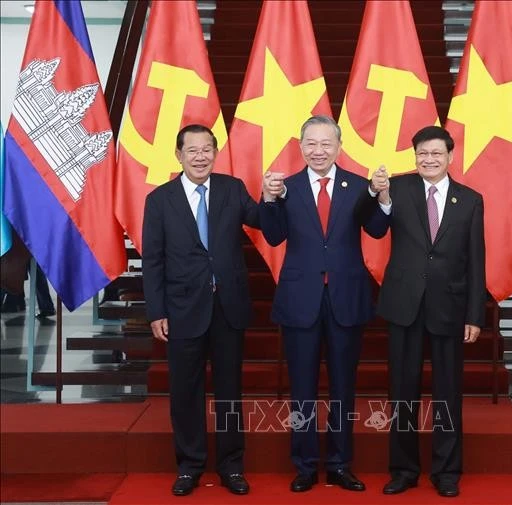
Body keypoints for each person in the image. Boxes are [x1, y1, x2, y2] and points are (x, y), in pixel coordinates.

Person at [259, 115, 390, 492]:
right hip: (301, 300)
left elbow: (378, 229)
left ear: (339, 146)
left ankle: (339, 464)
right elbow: (273, 234)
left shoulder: (357, 186)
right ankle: (303, 465)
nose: (319, 151)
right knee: (301, 388)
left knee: (343, 388)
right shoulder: (286, 187)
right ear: (301, 147)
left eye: (326, 144)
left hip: (345, 298)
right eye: (311, 144)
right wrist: (268, 200)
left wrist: (382, 197)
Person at [142, 124, 259, 497]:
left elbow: (262, 222)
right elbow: (153, 261)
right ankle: (190, 466)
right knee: (185, 391)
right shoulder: (160, 200)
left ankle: (231, 466)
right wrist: (156, 310)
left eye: (207, 149)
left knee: (229, 390)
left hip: (228, 308)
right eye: (192, 150)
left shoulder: (232, 188)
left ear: (215, 152)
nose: (200, 157)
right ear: (178, 155)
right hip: (181, 310)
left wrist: (275, 196)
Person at [372, 126, 486, 498]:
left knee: (447, 393)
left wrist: (475, 315)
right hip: (405, 305)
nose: (429, 159)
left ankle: (446, 471)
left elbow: (475, 262)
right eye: (422, 153)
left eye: (436, 153)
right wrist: (378, 195)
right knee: (402, 391)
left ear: (450, 156)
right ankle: (403, 469)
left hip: (449, 308)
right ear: (415, 155)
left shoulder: (470, 200)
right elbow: (374, 227)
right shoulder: (399, 189)